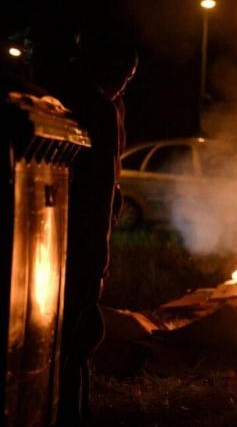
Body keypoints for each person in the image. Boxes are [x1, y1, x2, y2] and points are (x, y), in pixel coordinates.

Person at [39, 31, 137, 427]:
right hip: (78, 244)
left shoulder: (73, 99)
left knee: (72, 339)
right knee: (74, 336)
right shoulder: (96, 108)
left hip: (64, 243)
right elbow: (98, 195)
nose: (123, 86)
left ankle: (71, 412)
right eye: (123, 77)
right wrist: (99, 261)